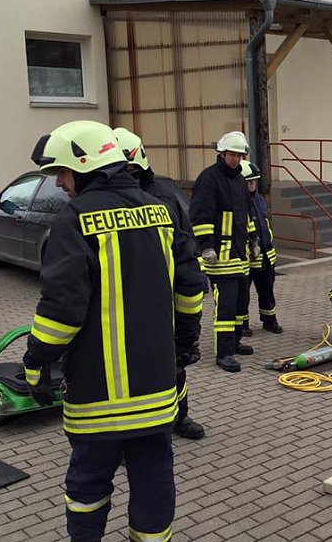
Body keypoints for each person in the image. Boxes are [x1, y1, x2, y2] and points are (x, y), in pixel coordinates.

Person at [23, 120, 203, 541]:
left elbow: (61, 311)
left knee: (87, 485)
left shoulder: (76, 218)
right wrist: (184, 343)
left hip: (96, 393)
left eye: (63, 172)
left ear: (85, 167)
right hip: (156, 390)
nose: (61, 184)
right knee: (155, 478)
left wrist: (36, 363)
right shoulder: (159, 210)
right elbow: (191, 287)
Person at [114, 127, 206, 441]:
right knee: (131, 372)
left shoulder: (164, 195)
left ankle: (180, 417)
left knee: (174, 365)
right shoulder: (107, 201)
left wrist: (189, 326)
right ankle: (136, 434)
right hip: (125, 302)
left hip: (165, 297)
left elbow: (185, 251)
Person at [190, 131, 258, 373]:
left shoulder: (240, 179)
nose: (236, 160)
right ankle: (224, 352)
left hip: (239, 255)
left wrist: (254, 241)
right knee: (226, 306)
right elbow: (200, 214)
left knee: (241, 302)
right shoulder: (209, 178)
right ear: (222, 153)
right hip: (219, 255)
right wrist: (206, 246)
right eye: (232, 155)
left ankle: (236, 341)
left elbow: (247, 214)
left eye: (239, 156)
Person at [240, 159, 283, 335]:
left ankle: (269, 321)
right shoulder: (238, 202)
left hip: (266, 255)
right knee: (243, 294)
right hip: (249, 258)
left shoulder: (259, 199)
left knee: (266, 291)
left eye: (253, 181)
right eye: (248, 181)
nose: (252, 184)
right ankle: (242, 325)